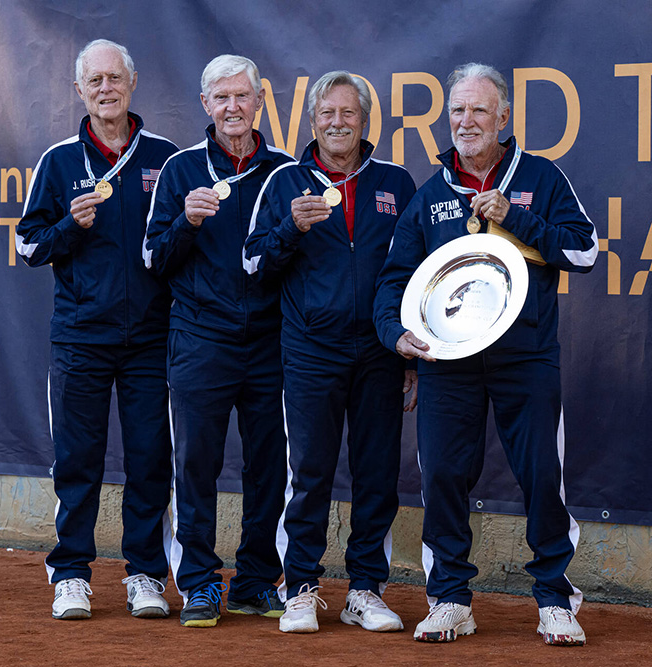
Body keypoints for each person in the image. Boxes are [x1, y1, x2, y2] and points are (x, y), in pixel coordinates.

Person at [373, 63, 598, 645]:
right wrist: (395, 336)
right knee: (443, 476)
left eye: (478, 110)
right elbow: (394, 281)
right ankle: (449, 598)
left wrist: (515, 216)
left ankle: (555, 599)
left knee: (541, 475)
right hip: (447, 364)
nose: (466, 121)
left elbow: (584, 252)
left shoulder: (542, 178)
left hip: (525, 358)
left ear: (503, 116)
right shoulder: (430, 196)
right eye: (457, 111)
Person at [243, 71, 417, 634]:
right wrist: (290, 228)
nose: (337, 123)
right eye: (327, 114)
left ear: (365, 121)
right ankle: (300, 588)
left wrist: (409, 355)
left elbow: (416, 276)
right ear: (312, 121)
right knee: (310, 472)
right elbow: (253, 264)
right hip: (311, 352)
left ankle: (365, 589)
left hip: (380, 355)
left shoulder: (397, 183)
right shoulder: (284, 181)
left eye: (348, 113)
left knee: (377, 475)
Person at [16, 39, 178, 621]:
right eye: (95, 81)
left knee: (149, 459)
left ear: (132, 83)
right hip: (81, 336)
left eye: (115, 78)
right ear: (79, 91)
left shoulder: (165, 155)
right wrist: (70, 225)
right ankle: (71, 574)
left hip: (151, 339)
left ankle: (145, 575)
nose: (105, 89)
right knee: (78, 460)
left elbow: (182, 244)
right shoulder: (59, 160)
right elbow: (28, 243)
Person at [144, 54, 294, 628]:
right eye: (221, 97)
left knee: (269, 467)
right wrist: (185, 220)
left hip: (271, 341)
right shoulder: (181, 171)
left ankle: (257, 581)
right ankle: (201, 584)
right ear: (205, 105)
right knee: (196, 465)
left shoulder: (284, 170)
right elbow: (153, 258)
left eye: (242, 96)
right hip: (200, 339)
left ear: (259, 101)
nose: (233, 107)